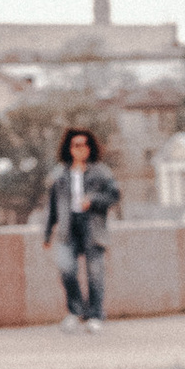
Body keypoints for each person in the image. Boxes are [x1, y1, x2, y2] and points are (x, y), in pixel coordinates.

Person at [42, 126, 118, 332]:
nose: (80, 149)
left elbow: (114, 195)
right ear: (69, 148)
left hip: (92, 225)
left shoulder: (101, 172)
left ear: (90, 148)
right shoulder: (60, 175)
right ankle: (75, 311)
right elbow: (52, 207)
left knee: (95, 273)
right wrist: (47, 233)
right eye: (76, 145)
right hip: (68, 226)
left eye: (84, 145)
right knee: (66, 269)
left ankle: (95, 315)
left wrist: (93, 201)